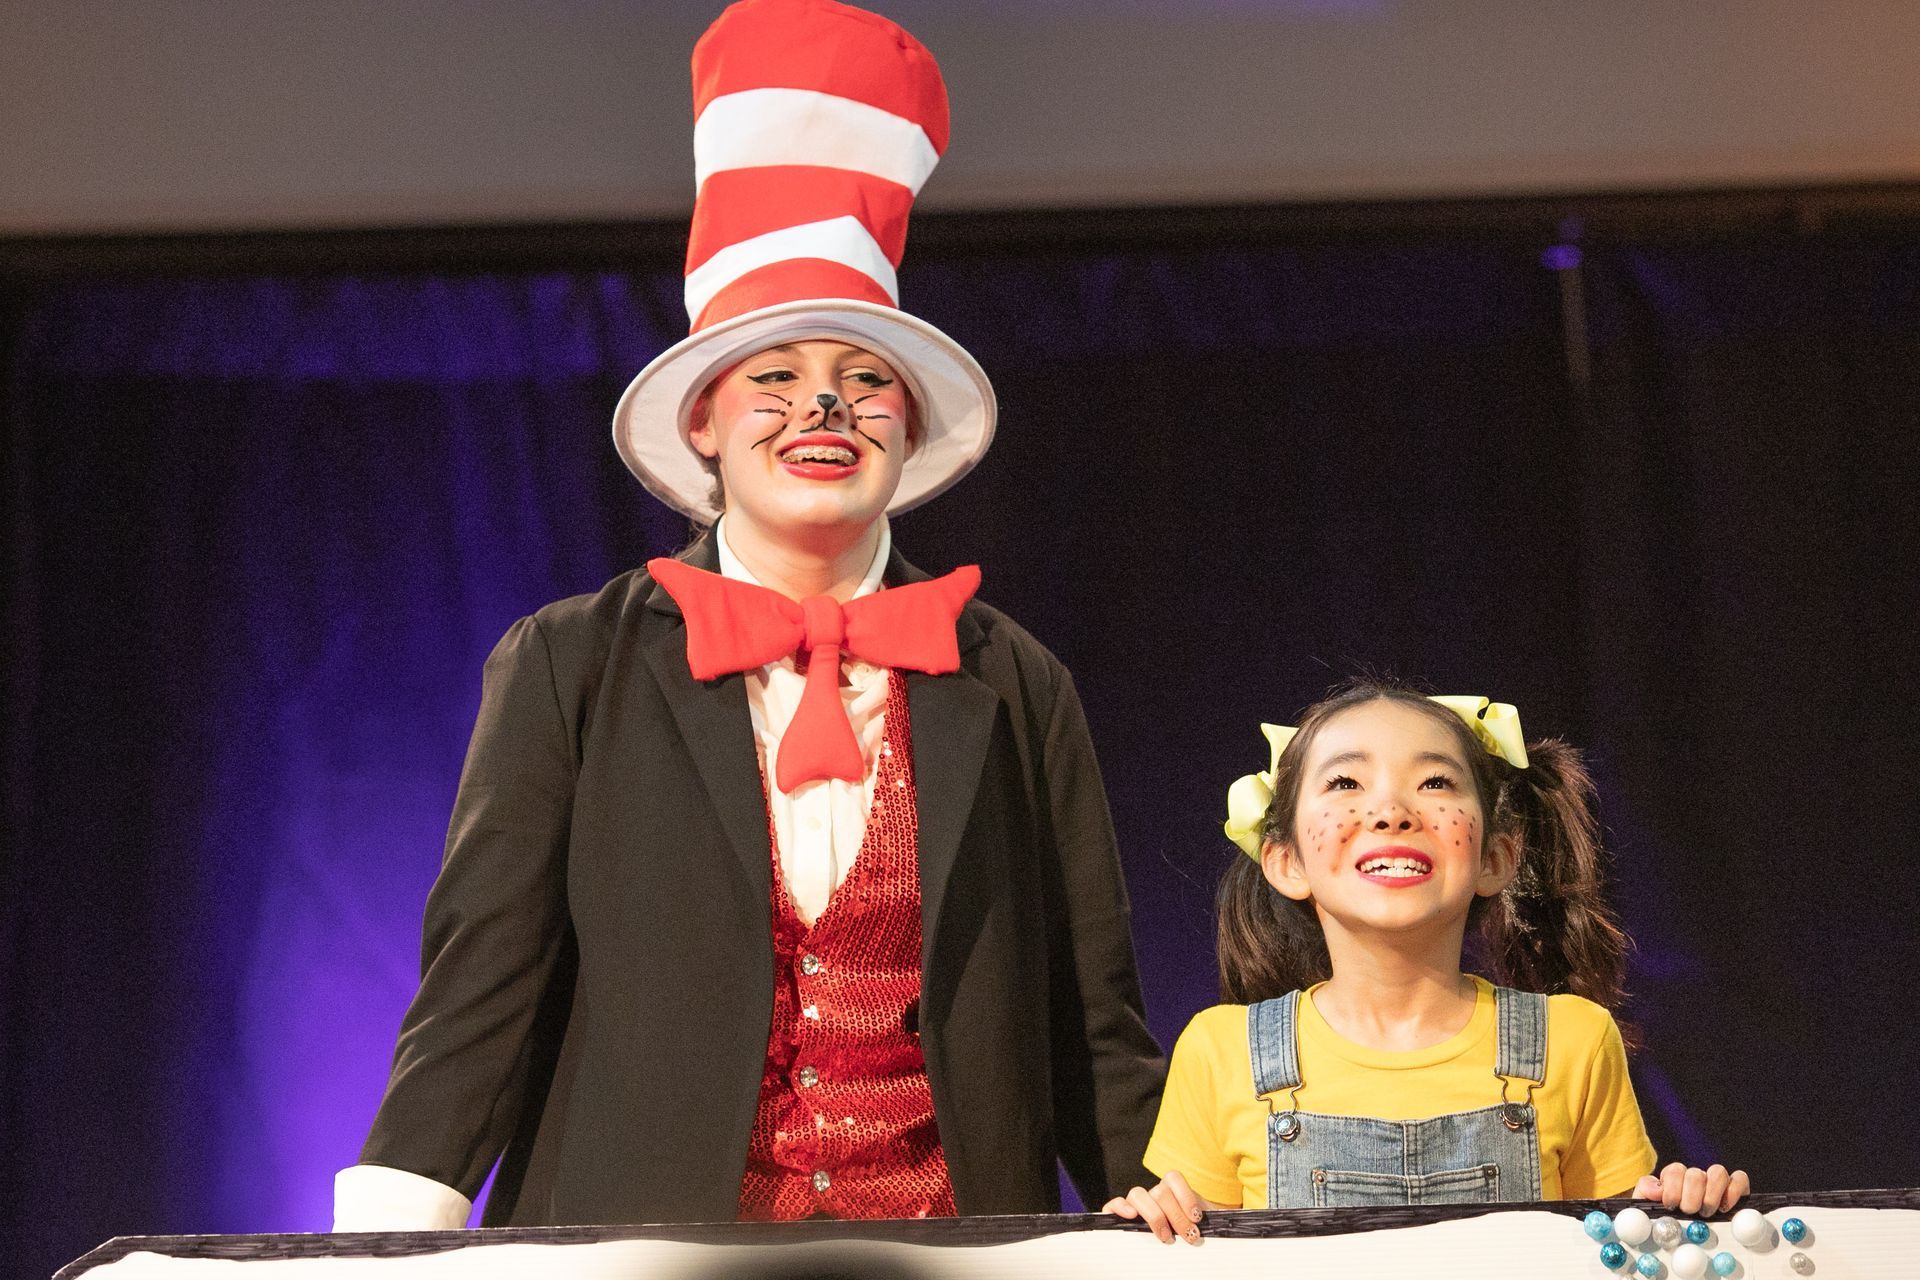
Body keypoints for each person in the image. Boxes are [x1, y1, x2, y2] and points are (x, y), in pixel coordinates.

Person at [332, 0, 1163, 1230]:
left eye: (862, 381)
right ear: (706, 424)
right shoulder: (573, 661)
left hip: (951, 1243)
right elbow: (481, 986)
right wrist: (391, 1229)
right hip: (638, 1244)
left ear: (909, 427)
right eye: (775, 378)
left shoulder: (1014, 675)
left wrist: (1149, 1194)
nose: (821, 411)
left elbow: (1089, 1002)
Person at [1105, 681, 1749, 1243]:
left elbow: (1610, 1247)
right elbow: (1206, 1259)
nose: (1391, 811)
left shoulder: (1573, 1040)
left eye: (1435, 782)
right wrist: (1154, 1227)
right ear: (1287, 860)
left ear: (1496, 857)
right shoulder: (1222, 1052)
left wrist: (1683, 1214)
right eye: (1346, 783)